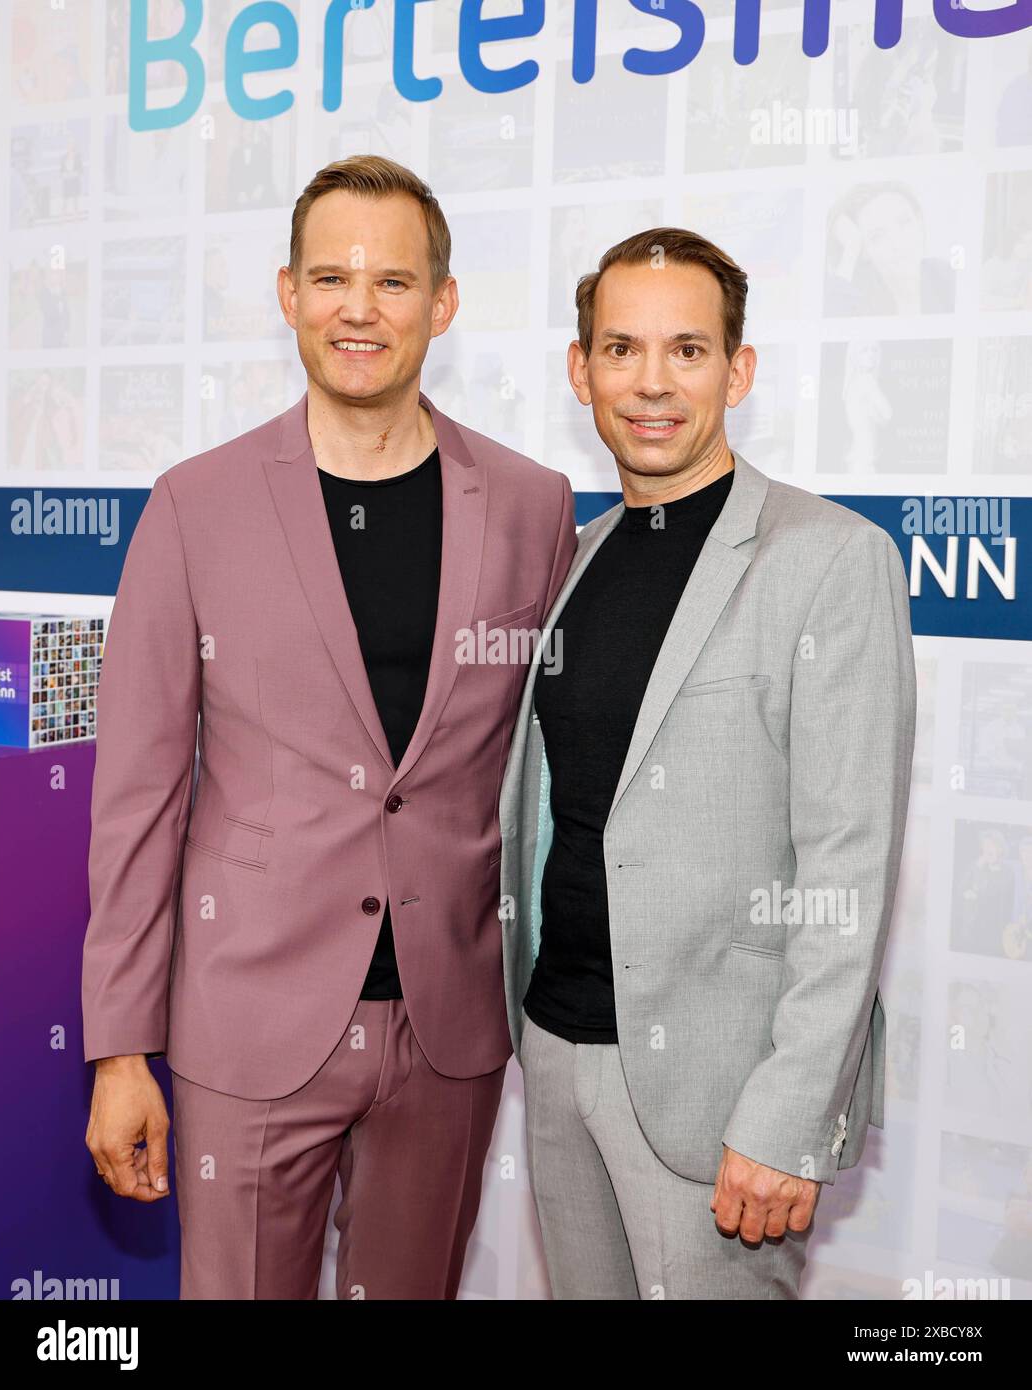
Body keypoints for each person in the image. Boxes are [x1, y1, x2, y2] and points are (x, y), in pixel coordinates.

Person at [82, 154, 577, 1300]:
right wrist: (117, 1047)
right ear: (288, 294)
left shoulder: (530, 502)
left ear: (442, 303)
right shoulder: (193, 506)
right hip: (247, 1014)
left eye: (394, 280)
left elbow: (543, 773)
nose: (361, 307)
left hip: (449, 1020)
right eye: (332, 277)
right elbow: (138, 798)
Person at [499, 226, 917, 1299]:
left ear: (737, 370)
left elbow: (848, 868)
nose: (651, 382)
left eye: (686, 350)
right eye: (622, 348)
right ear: (579, 368)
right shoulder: (580, 557)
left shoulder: (827, 559)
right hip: (556, 1048)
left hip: (722, 1099)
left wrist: (788, 1114)